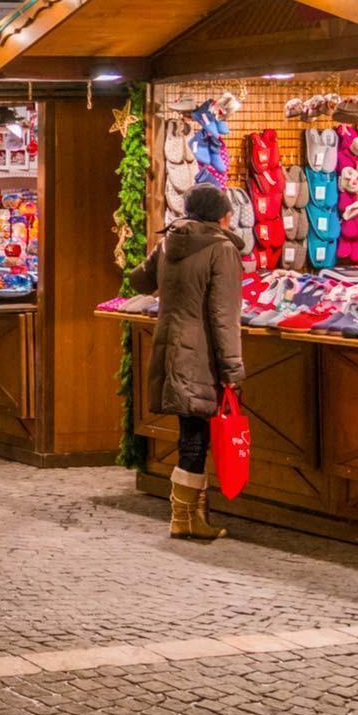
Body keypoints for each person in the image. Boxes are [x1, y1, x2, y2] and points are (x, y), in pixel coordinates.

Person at [126, 182, 246, 542]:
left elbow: (138, 280)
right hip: (201, 353)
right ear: (223, 215)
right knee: (195, 436)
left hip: (170, 347)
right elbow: (224, 315)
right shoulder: (221, 250)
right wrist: (233, 370)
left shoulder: (169, 241)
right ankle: (183, 518)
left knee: (190, 431)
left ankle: (190, 514)